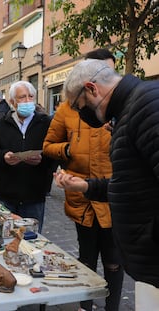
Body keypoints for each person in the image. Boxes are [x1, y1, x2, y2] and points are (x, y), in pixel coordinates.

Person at [57, 58, 159, 309]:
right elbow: (131, 183)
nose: (82, 114)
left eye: (80, 105)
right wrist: (87, 187)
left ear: (92, 89)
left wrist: (150, 239)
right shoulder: (129, 111)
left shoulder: (147, 106)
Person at [43, 49, 123, 311]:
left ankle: (112, 306)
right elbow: (49, 145)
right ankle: (84, 306)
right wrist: (68, 150)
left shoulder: (122, 107)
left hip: (114, 196)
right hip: (81, 196)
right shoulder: (68, 106)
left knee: (113, 260)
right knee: (86, 258)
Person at [0, 81, 54, 233]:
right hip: (7, 193)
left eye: (31, 96)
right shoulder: (1, 124)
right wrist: (4, 156)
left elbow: (54, 154)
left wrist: (43, 161)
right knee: (6, 237)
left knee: (31, 238)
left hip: (34, 194)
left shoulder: (46, 123)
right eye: (22, 97)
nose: (28, 101)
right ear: (12, 102)